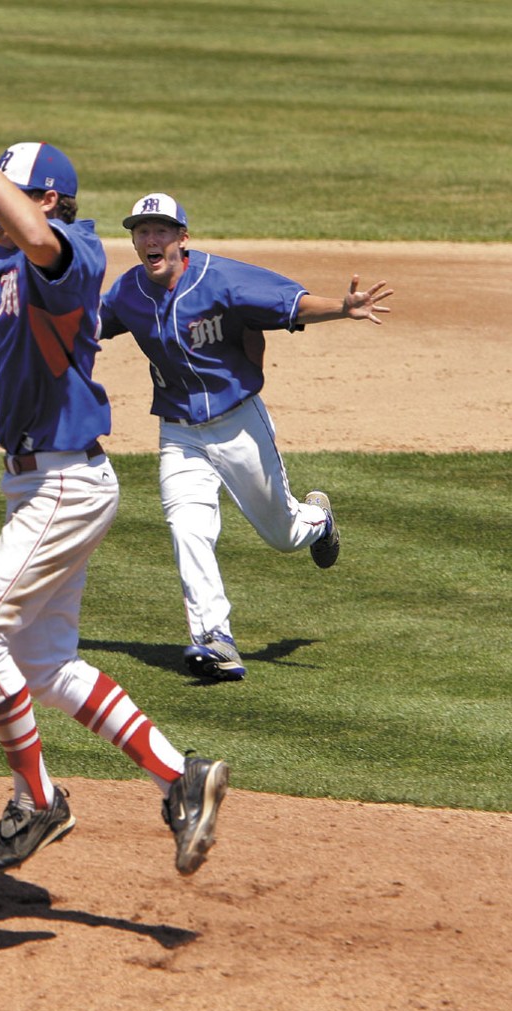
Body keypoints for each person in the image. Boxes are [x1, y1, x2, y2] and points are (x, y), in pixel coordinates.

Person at [0, 79, 229, 875]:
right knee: (45, 667)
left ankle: (37, 801)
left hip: (66, 480)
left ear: (48, 198)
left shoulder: (77, 251)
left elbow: (36, 238)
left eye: (4, 194)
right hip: (38, 485)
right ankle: (182, 778)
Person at [98, 193, 393, 683]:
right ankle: (216, 639)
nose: (151, 239)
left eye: (161, 230)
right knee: (187, 528)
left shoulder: (222, 278)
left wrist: (342, 308)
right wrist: (13, 322)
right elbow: (83, 327)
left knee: (284, 534)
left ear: (182, 238)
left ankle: (318, 518)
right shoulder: (128, 291)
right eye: (142, 231)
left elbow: (290, 303)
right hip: (179, 433)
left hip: (239, 425)